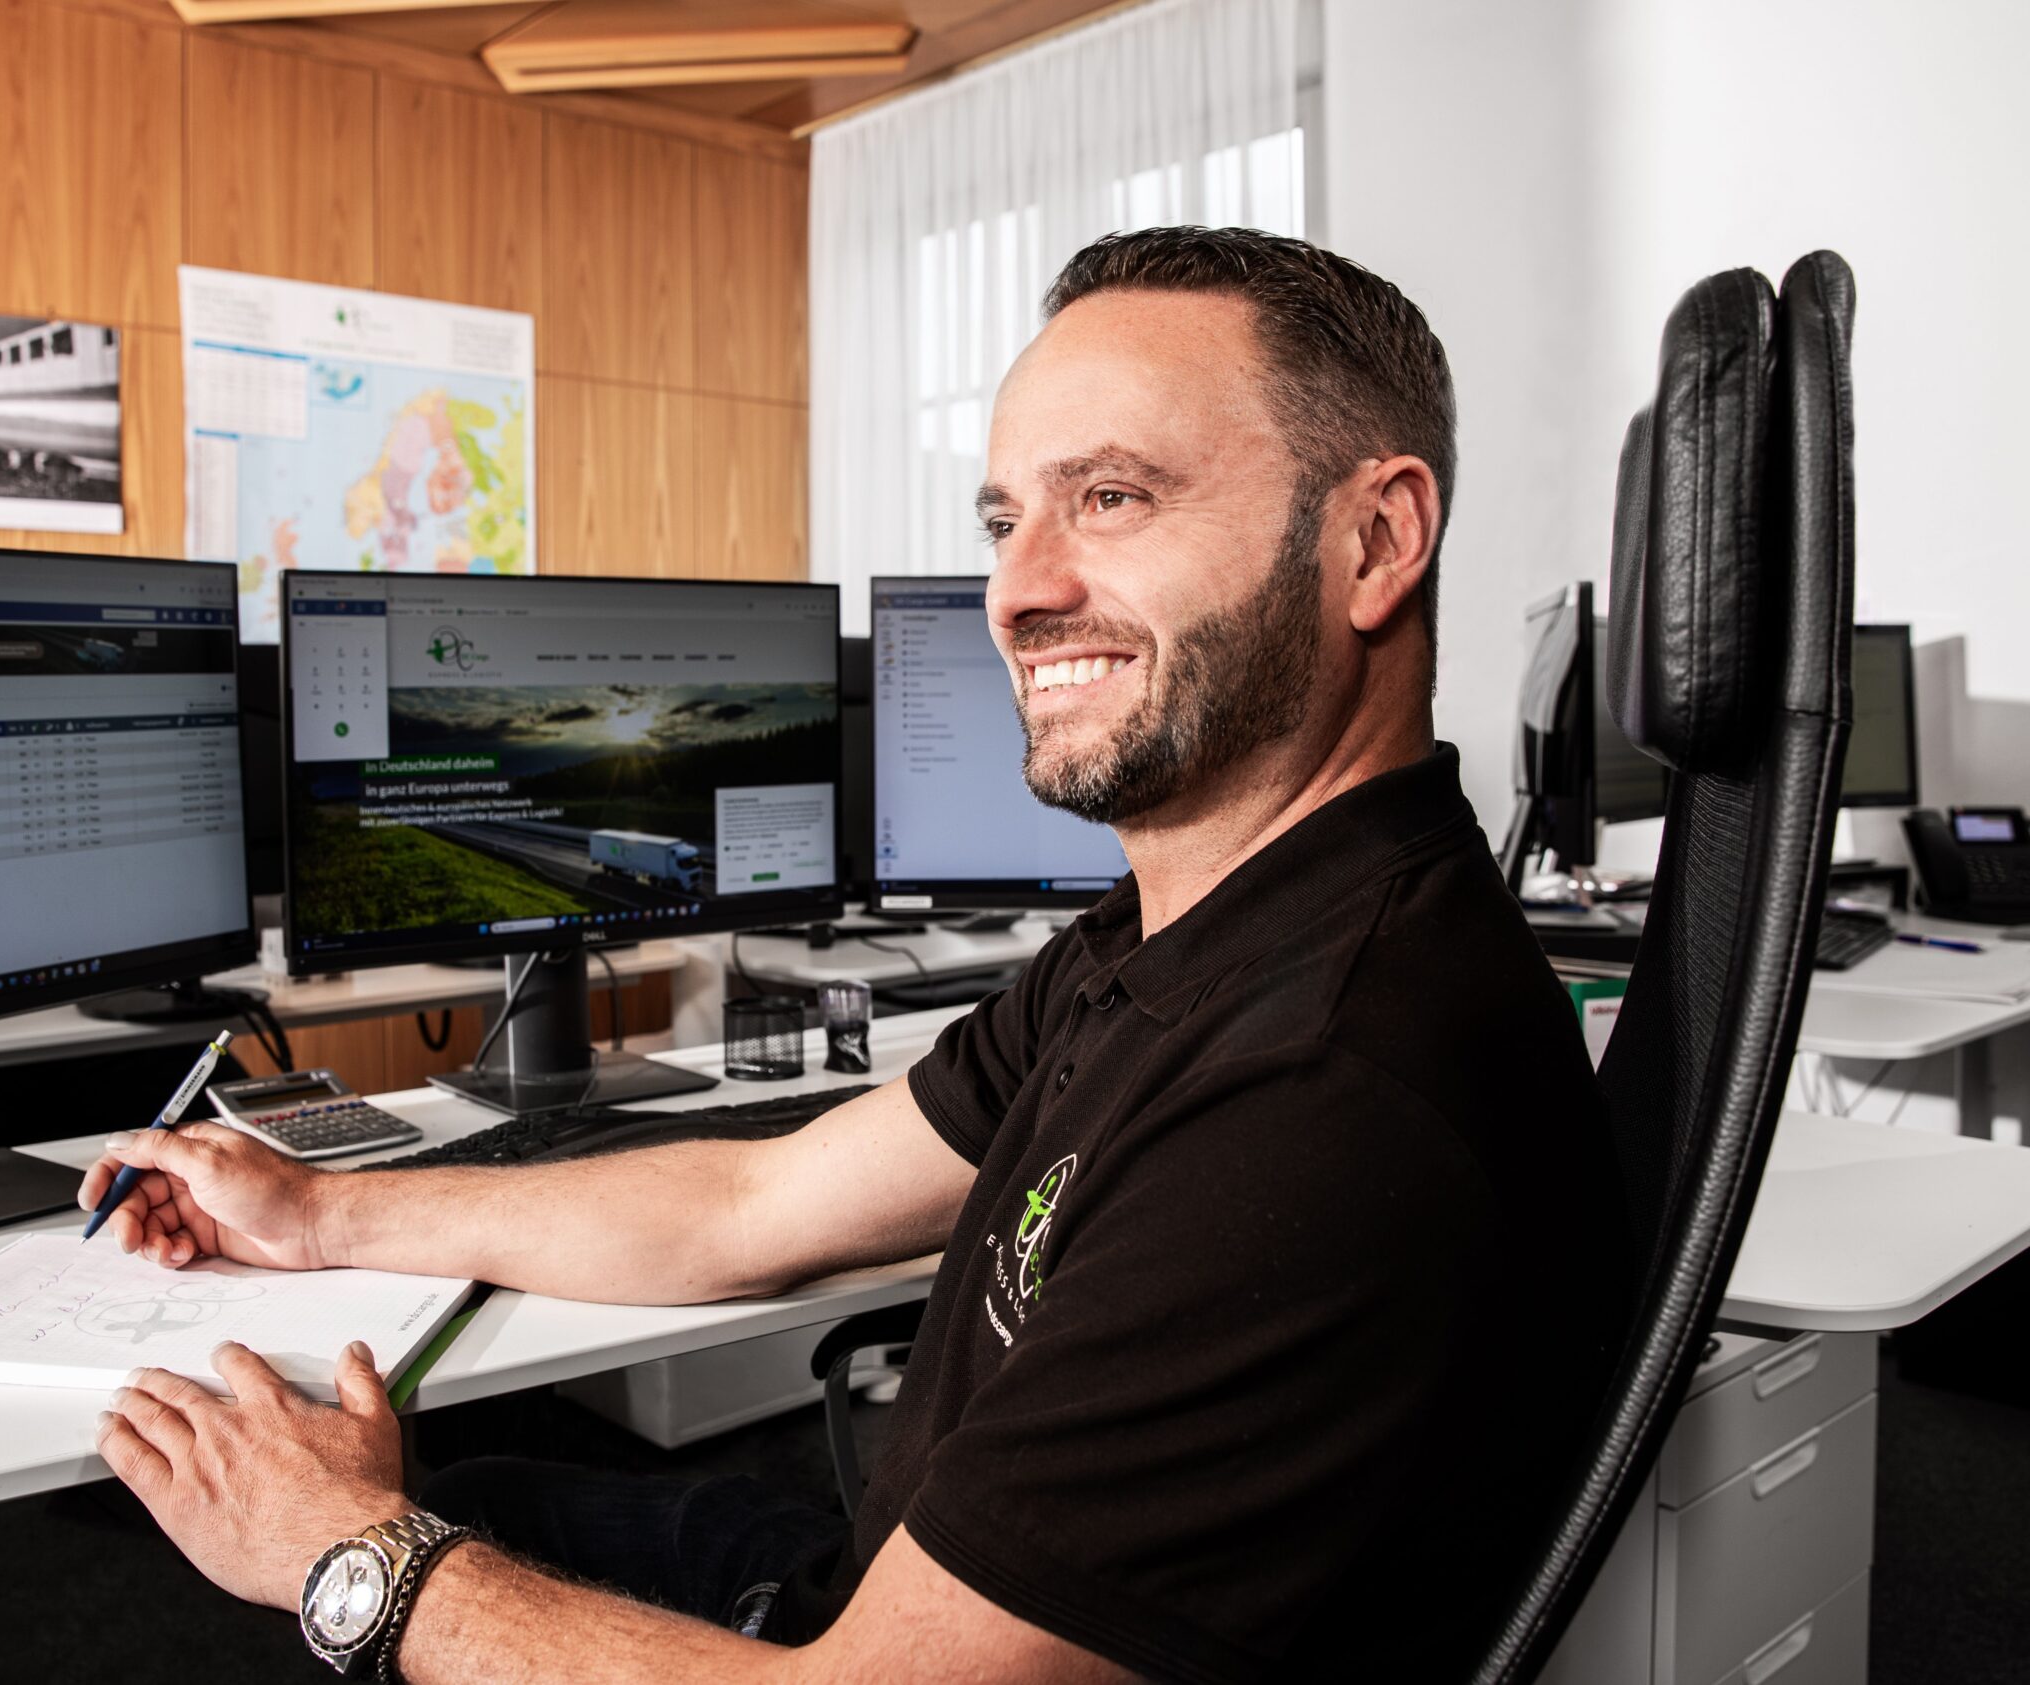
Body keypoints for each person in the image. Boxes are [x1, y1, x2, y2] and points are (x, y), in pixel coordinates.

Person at [79, 226, 1630, 1682]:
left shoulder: (1317, 1091)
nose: (1017, 591)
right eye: (1006, 520)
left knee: (328, 1574)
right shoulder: (1189, 929)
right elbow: (754, 1202)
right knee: (466, 1489)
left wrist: (350, 1553)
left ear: (1375, 537)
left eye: (1111, 498)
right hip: (875, 1573)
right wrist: (318, 1213)